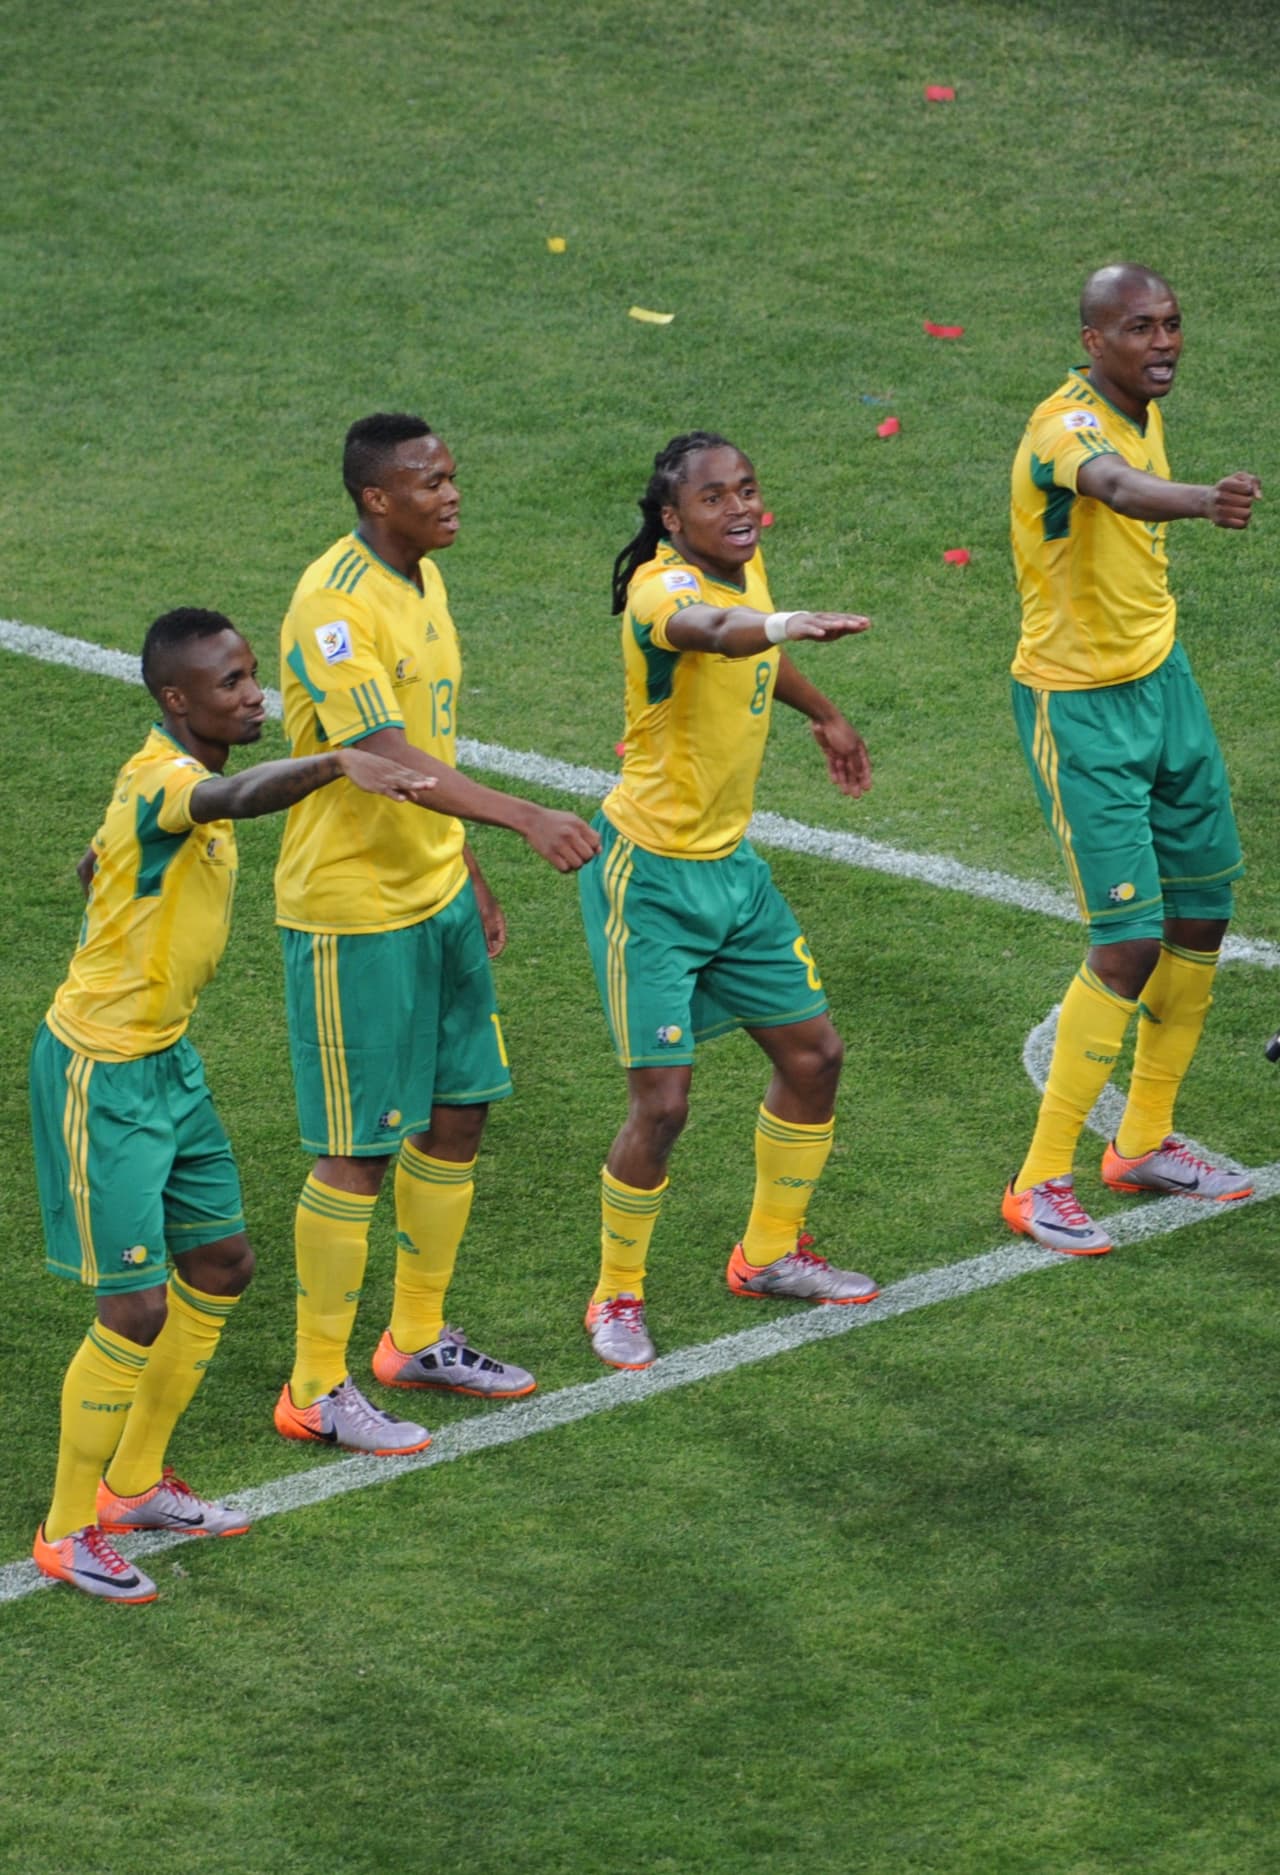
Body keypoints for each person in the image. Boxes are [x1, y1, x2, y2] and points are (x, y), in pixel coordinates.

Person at [30, 608, 438, 1603]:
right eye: (230, 684)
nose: (253, 694)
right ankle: (66, 1528)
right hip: (103, 1072)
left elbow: (104, 856)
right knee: (132, 1306)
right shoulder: (175, 780)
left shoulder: (155, 778)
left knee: (220, 1263)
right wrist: (339, 762)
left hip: (168, 1064)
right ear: (178, 700)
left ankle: (136, 1484)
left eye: (252, 674)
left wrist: (107, 881)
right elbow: (232, 796)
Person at [272, 412, 601, 1453]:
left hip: (434, 898)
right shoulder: (334, 607)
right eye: (428, 481)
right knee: (355, 1152)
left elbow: (431, 743)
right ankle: (313, 1388)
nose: (451, 493)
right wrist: (522, 816)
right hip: (353, 913)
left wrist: (467, 869)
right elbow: (385, 756)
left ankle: (413, 1337)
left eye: (453, 474)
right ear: (376, 497)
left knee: (458, 1113)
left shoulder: (419, 576)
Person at [577, 429, 880, 1370]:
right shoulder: (661, 588)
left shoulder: (743, 565)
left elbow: (751, 644)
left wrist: (821, 708)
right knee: (661, 1104)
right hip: (650, 879)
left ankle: (771, 1253)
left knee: (815, 1056)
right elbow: (713, 632)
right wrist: (786, 625)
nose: (740, 508)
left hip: (732, 873)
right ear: (673, 518)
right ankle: (615, 1295)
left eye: (748, 490)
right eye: (716, 498)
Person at [1002, 264, 1262, 1256]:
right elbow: (1110, 486)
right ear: (1090, 340)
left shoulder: (1141, 404)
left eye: (1171, 325)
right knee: (1124, 943)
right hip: (1079, 713)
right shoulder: (1062, 428)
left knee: (1200, 912)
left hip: (1164, 688)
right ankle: (1038, 1183)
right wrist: (1200, 501)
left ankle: (1142, 1141)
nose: (1162, 343)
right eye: (1139, 328)